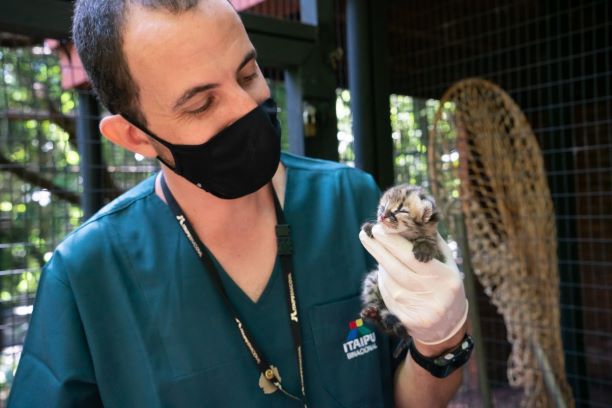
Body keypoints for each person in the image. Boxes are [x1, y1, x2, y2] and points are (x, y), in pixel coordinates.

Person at [8, 0, 472, 406]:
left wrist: (442, 338)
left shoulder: (351, 203)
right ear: (134, 135)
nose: (245, 108)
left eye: (248, 74)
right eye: (200, 105)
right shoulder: (87, 275)